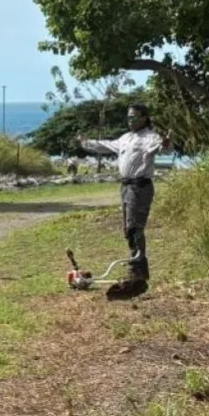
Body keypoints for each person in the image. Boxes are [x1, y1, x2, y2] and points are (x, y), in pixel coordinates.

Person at [77, 104, 173, 300]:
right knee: (127, 229)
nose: (130, 121)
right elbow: (105, 145)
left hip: (141, 186)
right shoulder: (125, 138)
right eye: (128, 117)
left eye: (134, 117)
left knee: (134, 227)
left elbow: (163, 148)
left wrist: (166, 143)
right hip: (126, 186)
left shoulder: (150, 137)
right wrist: (86, 143)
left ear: (145, 118)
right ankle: (136, 267)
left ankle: (138, 270)